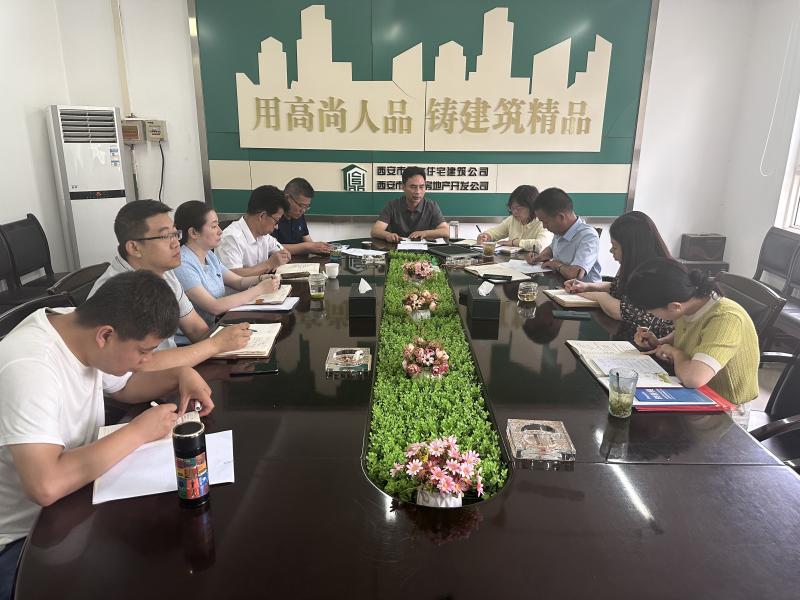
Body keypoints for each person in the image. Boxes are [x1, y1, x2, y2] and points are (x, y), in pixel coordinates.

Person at [0, 271, 214, 600]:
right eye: (144, 351)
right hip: (26, 539)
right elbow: (45, 484)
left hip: (80, 501)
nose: (146, 361)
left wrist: (179, 375)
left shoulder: (79, 329)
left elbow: (126, 385)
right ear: (106, 336)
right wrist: (138, 431)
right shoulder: (30, 365)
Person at [89, 200, 251, 370]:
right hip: (148, 378)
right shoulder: (116, 293)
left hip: (175, 367)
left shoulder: (164, 272)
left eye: (175, 234)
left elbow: (195, 329)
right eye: (165, 236)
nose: (176, 243)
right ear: (134, 248)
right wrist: (216, 344)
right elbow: (141, 365)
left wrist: (237, 344)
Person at [627, 258, 759, 409]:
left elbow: (693, 379)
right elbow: (690, 333)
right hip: (695, 392)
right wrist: (660, 343)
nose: (651, 315)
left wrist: (675, 353)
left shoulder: (725, 318)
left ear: (674, 306)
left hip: (725, 406)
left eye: (651, 312)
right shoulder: (690, 302)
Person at [563, 211, 673, 342]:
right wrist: (587, 286)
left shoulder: (656, 274)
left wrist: (593, 295)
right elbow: (618, 286)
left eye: (614, 247)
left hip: (655, 343)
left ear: (631, 249)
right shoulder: (636, 264)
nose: (611, 251)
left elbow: (620, 311)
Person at [173, 201, 283, 327]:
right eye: (214, 226)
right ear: (193, 233)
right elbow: (214, 306)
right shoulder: (183, 264)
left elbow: (238, 282)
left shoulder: (209, 255)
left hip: (219, 322)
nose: (220, 231)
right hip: (201, 334)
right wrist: (260, 289)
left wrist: (261, 279)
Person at [526, 188, 602, 282]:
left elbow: (576, 275)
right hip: (561, 284)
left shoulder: (588, 236)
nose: (544, 226)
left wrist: (556, 264)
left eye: (546, 222)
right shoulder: (560, 230)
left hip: (584, 289)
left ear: (561, 217)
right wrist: (538, 257)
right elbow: (552, 249)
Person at [217, 185, 292, 276]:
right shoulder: (231, 238)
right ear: (262, 216)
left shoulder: (264, 236)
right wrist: (268, 264)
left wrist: (283, 256)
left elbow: (284, 252)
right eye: (276, 221)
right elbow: (232, 276)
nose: (276, 227)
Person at [371, 166, 449, 242]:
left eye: (421, 187)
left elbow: (446, 231)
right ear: (403, 187)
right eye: (413, 187)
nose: (418, 192)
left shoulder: (431, 206)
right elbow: (375, 231)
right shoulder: (393, 205)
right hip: (397, 249)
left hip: (424, 250)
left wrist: (425, 233)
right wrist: (387, 235)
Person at [476, 185, 551, 252]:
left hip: (534, 262)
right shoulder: (512, 220)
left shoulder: (543, 222)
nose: (514, 212)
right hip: (513, 261)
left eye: (518, 209)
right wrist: (486, 236)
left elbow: (540, 245)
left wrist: (514, 242)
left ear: (531, 207)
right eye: (512, 208)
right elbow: (494, 233)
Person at [273, 178, 333, 256]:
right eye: (301, 205)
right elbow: (272, 247)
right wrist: (307, 247)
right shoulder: (273, 216)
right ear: (287, 198)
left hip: (300, 261)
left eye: (306, 206)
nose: (303, 210)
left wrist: (320, 248)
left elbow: (307, 240)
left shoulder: (299, 215)